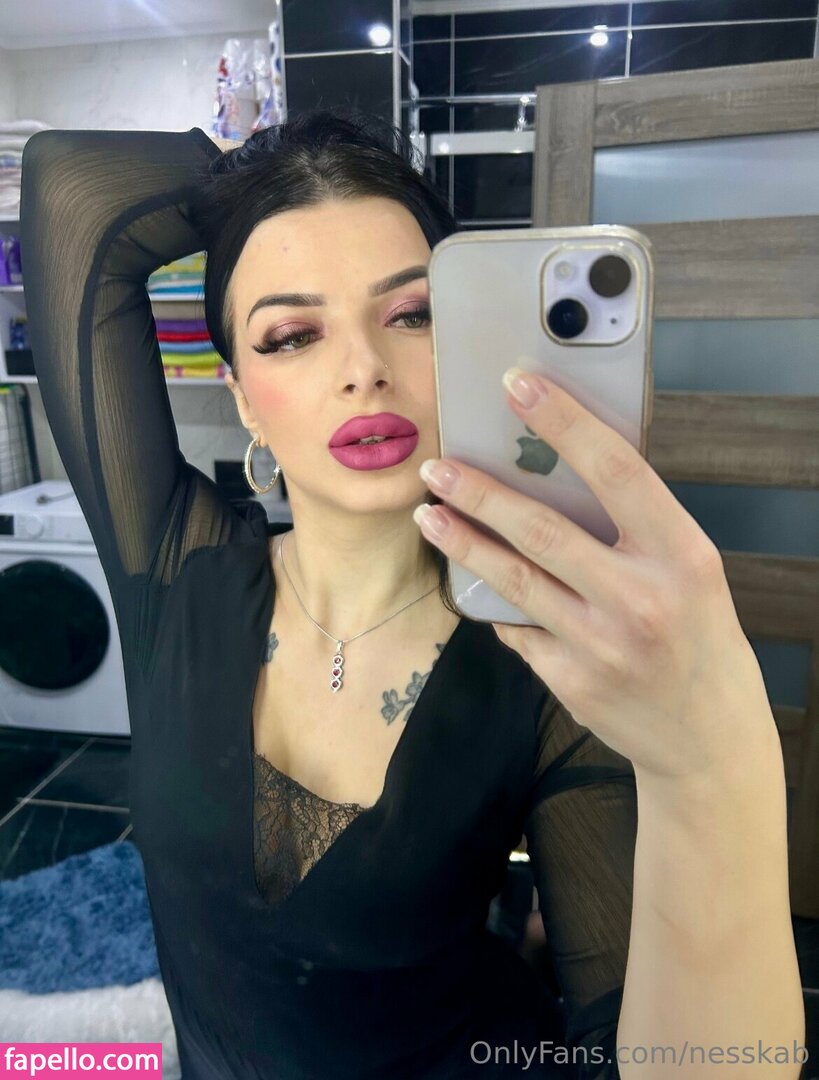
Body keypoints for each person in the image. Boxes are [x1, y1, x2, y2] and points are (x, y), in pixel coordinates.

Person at [19, 107, 650, 1078]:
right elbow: (70, 184)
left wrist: (716, 764)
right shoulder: (179, 572)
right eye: (290, 335)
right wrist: (277, 174)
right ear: (241, 396)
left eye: (412, 315)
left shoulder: (543, 657)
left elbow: (639, 1045)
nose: (363, 370)